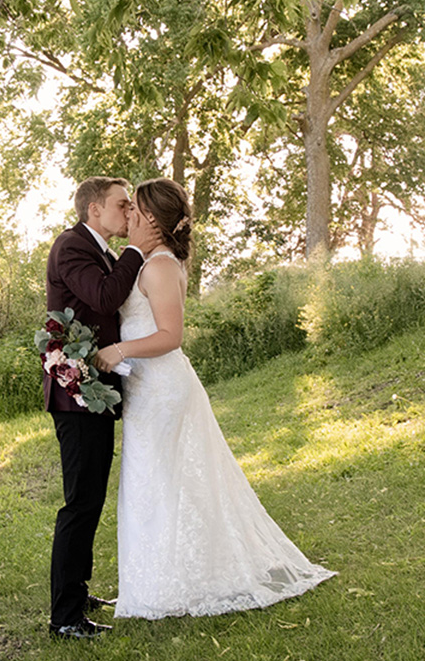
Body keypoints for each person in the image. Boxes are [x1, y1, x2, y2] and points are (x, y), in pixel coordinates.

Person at [95, 178, 335, 620]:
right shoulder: (144, 262)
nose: (127, 215)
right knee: (153, 483)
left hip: (163, 387)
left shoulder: (161, 266)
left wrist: (120, 350)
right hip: (146, 390)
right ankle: (153, 582)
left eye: (135, 210)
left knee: (161, 482)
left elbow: (171, 335)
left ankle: (172, 586)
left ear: (151, 219)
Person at [44, 176, 161, 640]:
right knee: (80, 503)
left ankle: (78, 591)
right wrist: (136, 250)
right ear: (94, 210)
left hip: (97, 391)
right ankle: (65, 618)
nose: (128, 211)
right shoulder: (71, 247)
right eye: (120, 204)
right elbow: (104, 297)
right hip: (76, 398)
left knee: (91, 498)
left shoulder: (101, 251)